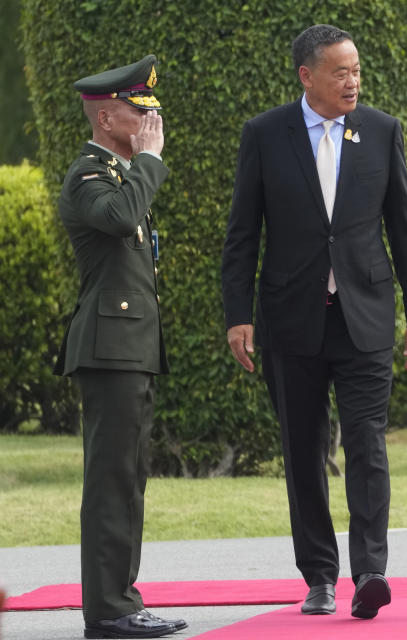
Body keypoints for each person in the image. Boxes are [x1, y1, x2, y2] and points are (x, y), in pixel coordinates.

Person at [221, 24, 407, 619]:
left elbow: (404, 227)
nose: (353, 80)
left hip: (364, 316)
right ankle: (319, 575)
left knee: (367, 443)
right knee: (303, 448)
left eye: (357, 70)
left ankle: (370, 571)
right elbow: (243, 234)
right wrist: (238, 315)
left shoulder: (382, 130)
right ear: (306, 76)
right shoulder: (265, 135)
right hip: (291, 318)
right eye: (340, 71)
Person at [54, 55, 188, 638]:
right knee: (111, 482)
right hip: (109, 351)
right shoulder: (90, 176)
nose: (152, 125)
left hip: (127, 350)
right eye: (141, 114)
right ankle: (108, 610)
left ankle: (123, 602)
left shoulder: (117, 173)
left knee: (128, 480)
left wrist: (144, 163)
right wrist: (151, 163)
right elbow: (122, 215)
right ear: (108, 118)